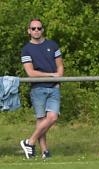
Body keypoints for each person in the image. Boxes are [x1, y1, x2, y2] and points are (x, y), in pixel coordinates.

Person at [19, 18, 64, 160]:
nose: (36, 31)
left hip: (54, 88)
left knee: (53, 117)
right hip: (38, 88)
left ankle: (29, 142)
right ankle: (44, 151)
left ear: (42, 30)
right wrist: (52, 75)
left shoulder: (52, 45)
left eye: (39, 28)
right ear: (29, 31)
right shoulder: (26, 49)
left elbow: (60, 66)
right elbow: (31, 73)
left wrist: (58, 79)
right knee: (41, 120)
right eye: (33, 28)